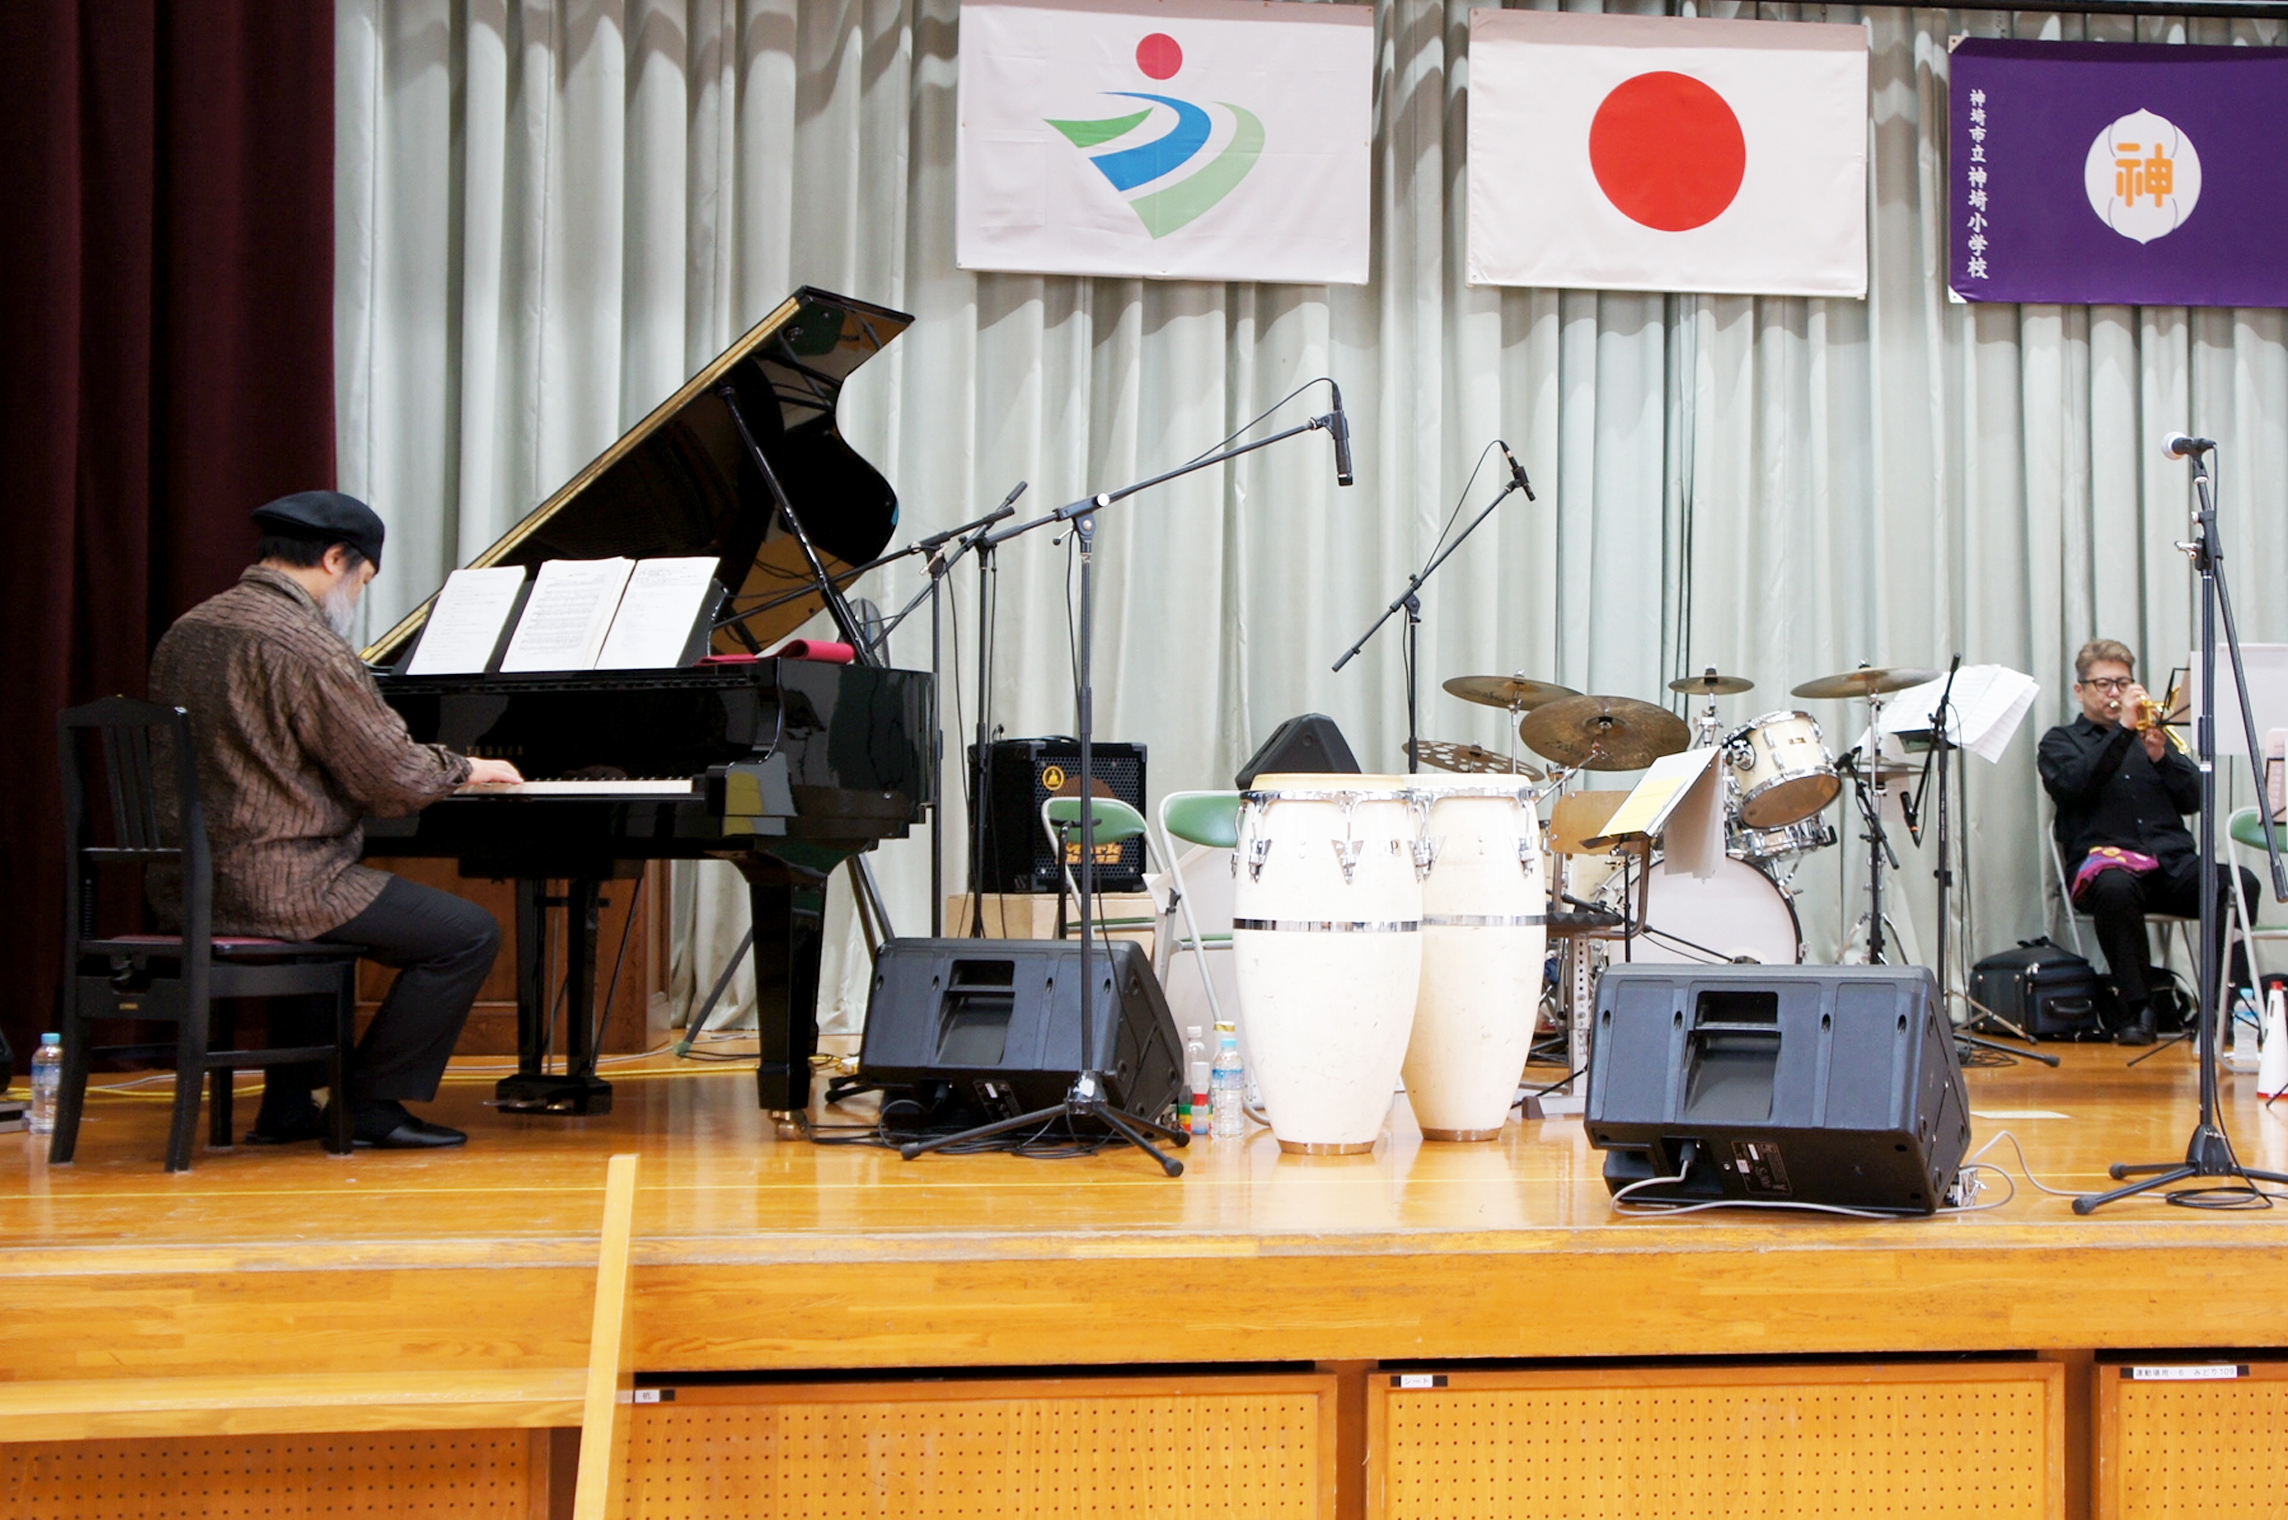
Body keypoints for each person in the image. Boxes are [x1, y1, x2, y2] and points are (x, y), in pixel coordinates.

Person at [147, 491, 523, 1147]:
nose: (358, 594)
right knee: (466, 933)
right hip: (282, 885)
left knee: (344, 912)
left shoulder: (190, 628)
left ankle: (289, 1106)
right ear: (334, 558)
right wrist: (465, 766)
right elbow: (393, 776)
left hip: (188, 885)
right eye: (363, 578)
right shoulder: (307, 646)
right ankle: (371, 1106)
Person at [2037, 637, 2253, 1045]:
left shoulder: (2153, 738)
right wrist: (2122, 733)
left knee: (2237, 883)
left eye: (2123, 683)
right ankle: (2138, 1009)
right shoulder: (2060, 742)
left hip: (2170, 866)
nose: (2115, 693)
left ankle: (2222, 1007)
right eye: (2104, 684)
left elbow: (2194, 799)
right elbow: (2073, 786)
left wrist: (2162, 758)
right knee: (2116, 888)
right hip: (2106, 871)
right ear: (2080, 690)